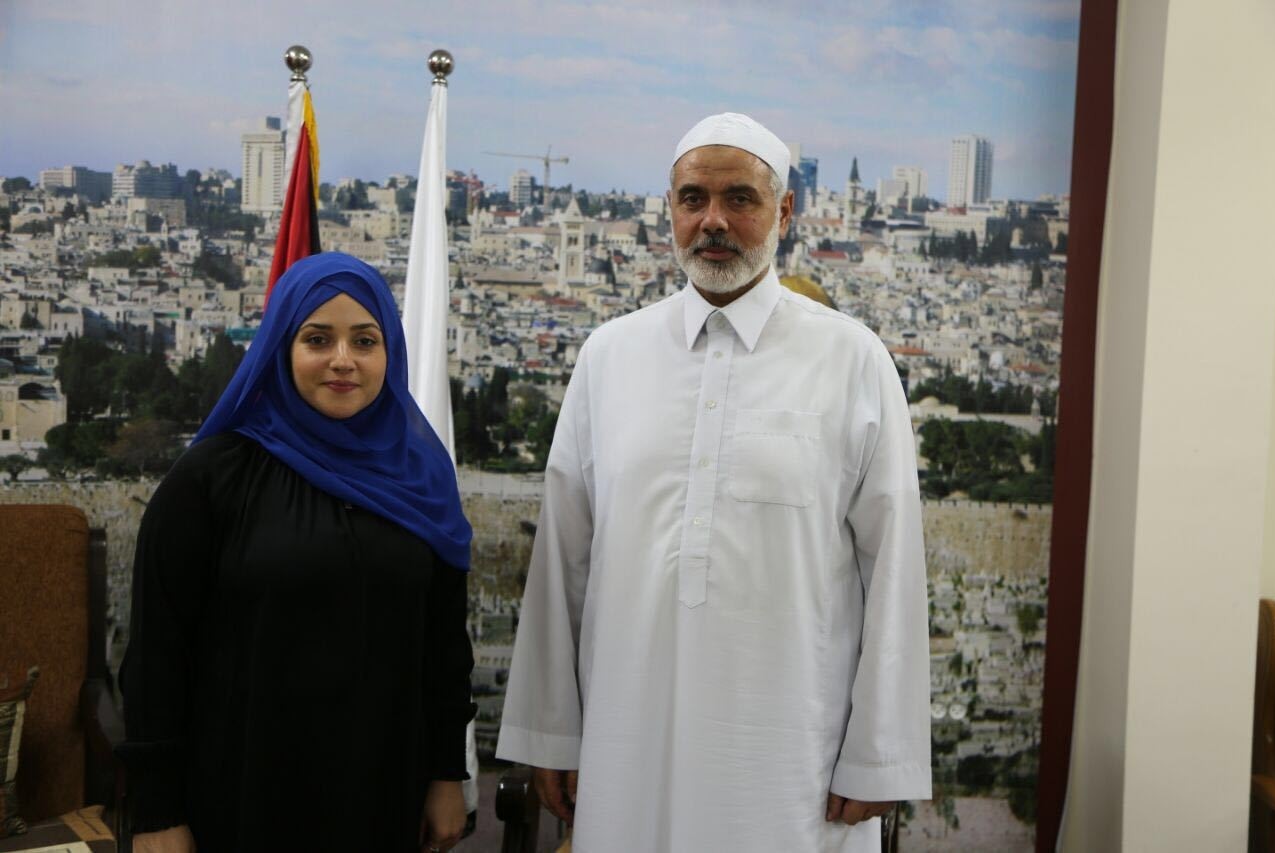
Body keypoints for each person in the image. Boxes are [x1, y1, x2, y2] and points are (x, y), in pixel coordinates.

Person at [496, 113, 931, 852]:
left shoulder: (853, 360)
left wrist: (878, 751)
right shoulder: (611, 356)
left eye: (740, 199)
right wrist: (551, 732)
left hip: (795, 755)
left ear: (784, 212)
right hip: (625, 738)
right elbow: (564, 559)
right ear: (669, 208)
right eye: (693, 198)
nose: (714, 221)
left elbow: (892, 567)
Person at [119, 252, 475, 853]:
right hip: (240, 791)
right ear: (281, 348)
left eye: (365, 340)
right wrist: (156, 812)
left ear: (390, 354)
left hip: (379, 792)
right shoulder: (212, 477)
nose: (343, 360)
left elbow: (442, 646)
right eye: (318, 338)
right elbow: (158, 652)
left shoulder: (422, 478)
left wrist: (446, 775)